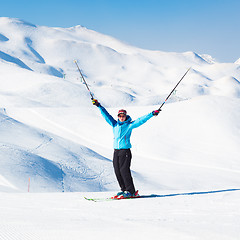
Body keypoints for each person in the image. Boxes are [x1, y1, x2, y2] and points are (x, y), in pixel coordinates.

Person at [92, 99, 160, 199]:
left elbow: (141, 120)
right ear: (118, 117)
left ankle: (131, 191)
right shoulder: (114, 124)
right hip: (116, 151)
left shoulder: (129, 125)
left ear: (126, 116)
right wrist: (99, 106)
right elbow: (106, 115)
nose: (122, 117)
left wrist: (152, 114)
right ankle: (124, 190)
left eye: (123, 116)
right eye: (120, 116)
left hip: (125, 151)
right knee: (117, 171)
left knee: (124, 170)